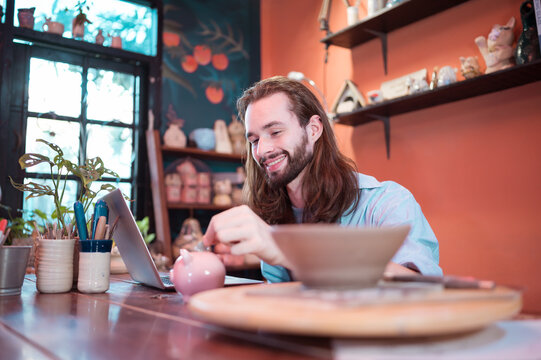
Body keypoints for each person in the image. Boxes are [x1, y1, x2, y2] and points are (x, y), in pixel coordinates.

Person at [203, 76, 442, 283]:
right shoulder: (275, 214)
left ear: (314, 129)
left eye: (275, 132)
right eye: (254, 140)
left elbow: (422, 289)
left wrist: (287, 250)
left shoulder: (386, 202)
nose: (262, 151)